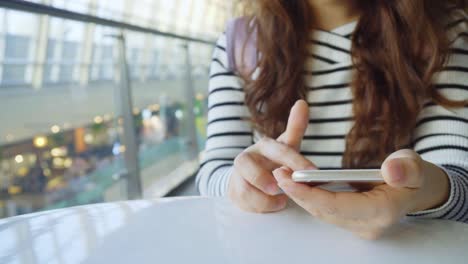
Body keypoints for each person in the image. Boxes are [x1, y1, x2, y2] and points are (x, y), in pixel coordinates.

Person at [196, 0, 468, 239]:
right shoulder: (240, 41)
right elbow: (213, 171)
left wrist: (424, 190)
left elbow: (459, 179)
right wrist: (240, 182)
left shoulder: (441, 30)